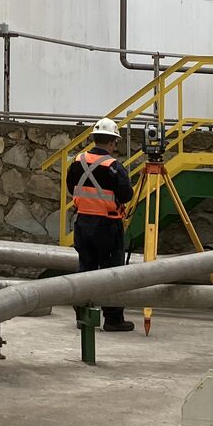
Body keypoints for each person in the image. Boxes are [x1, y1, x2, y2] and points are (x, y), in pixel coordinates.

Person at [66, 117, 135, 333]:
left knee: (85, 269)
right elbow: (126, 195)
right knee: (111, 273)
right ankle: (113, 319)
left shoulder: (77, 161)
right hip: (107, 226)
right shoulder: (113, 166)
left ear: (94, 138)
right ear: (113, 142)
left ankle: (83, 315)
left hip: (82, 223)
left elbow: (71, 188)